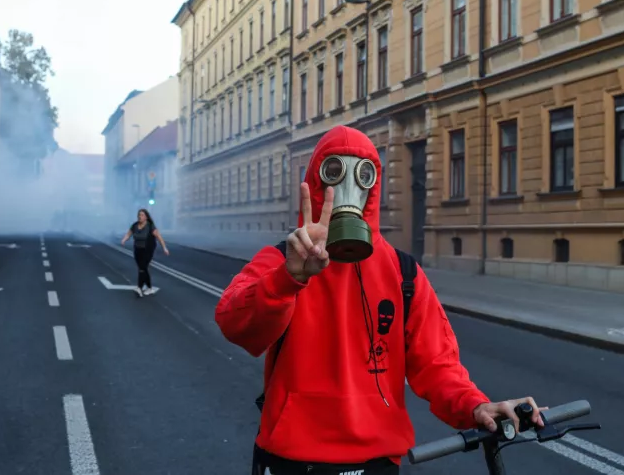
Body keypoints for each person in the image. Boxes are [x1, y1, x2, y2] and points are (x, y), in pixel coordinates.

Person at [215, 126, 544, 475]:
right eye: (334, 173)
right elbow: (233, 322)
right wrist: (289, 279)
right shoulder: (282, 261)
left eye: (362, 175)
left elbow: (437, 364)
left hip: (376, 461)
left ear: (373, 186)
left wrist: (475, 405)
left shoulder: (403, 274)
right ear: (316, 182)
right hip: (293, 459)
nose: (347, 190)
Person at [120, 208, 169, 297]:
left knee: (142, 267)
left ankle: (139, 287)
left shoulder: (150, 226)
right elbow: (129, 234)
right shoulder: (135, 225)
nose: (140, 216)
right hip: (137, 249)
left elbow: (159, 237)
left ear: (146, 217)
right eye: (139, 215)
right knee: (143, 269)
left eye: (142, 215)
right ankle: (150, 288)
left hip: (148, 249)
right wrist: (124, 240)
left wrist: (164, 248)